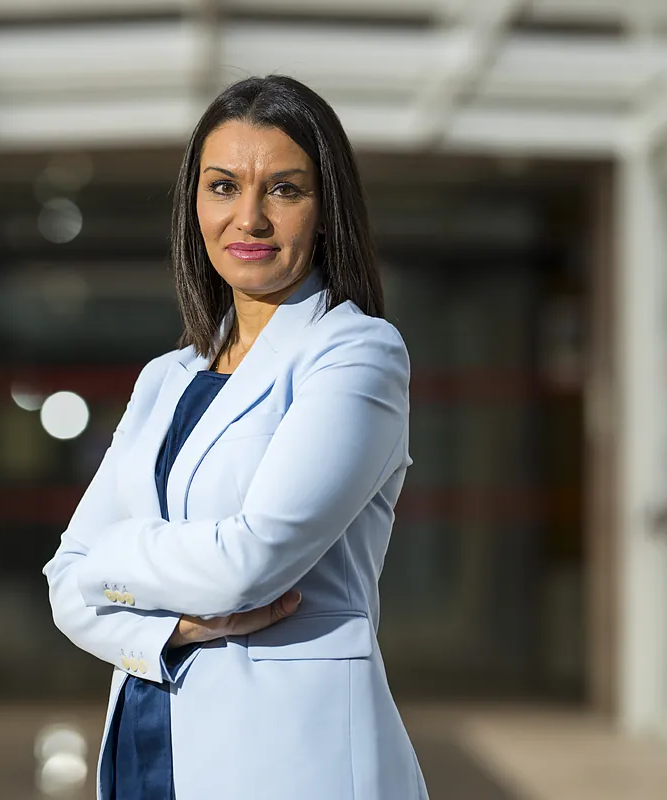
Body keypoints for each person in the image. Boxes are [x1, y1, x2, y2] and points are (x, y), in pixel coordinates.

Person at [42, 74, 428, 800]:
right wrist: (169, 631)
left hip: (289, 757)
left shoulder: (357, 353)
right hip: (148, 740)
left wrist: (111, 557)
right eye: (223, 187)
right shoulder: (167, 376)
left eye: (283, 190)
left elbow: (247, 566)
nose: (248, 218)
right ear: (195, 204)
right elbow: (65, 581)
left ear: (326, 210)